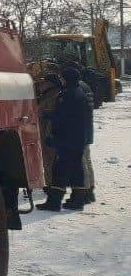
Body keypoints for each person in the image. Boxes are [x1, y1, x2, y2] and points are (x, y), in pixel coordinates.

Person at [38, 66, 96, 211]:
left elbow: (65, 119)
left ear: (67, 79)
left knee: (59, 170)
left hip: (67, 139)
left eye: (63, 78)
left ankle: (54, 201)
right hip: (78, 138)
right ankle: (77, 199)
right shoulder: (78, 92)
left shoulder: (68, 95)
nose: (61, 80)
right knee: (76, 169)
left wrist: (49, 116)